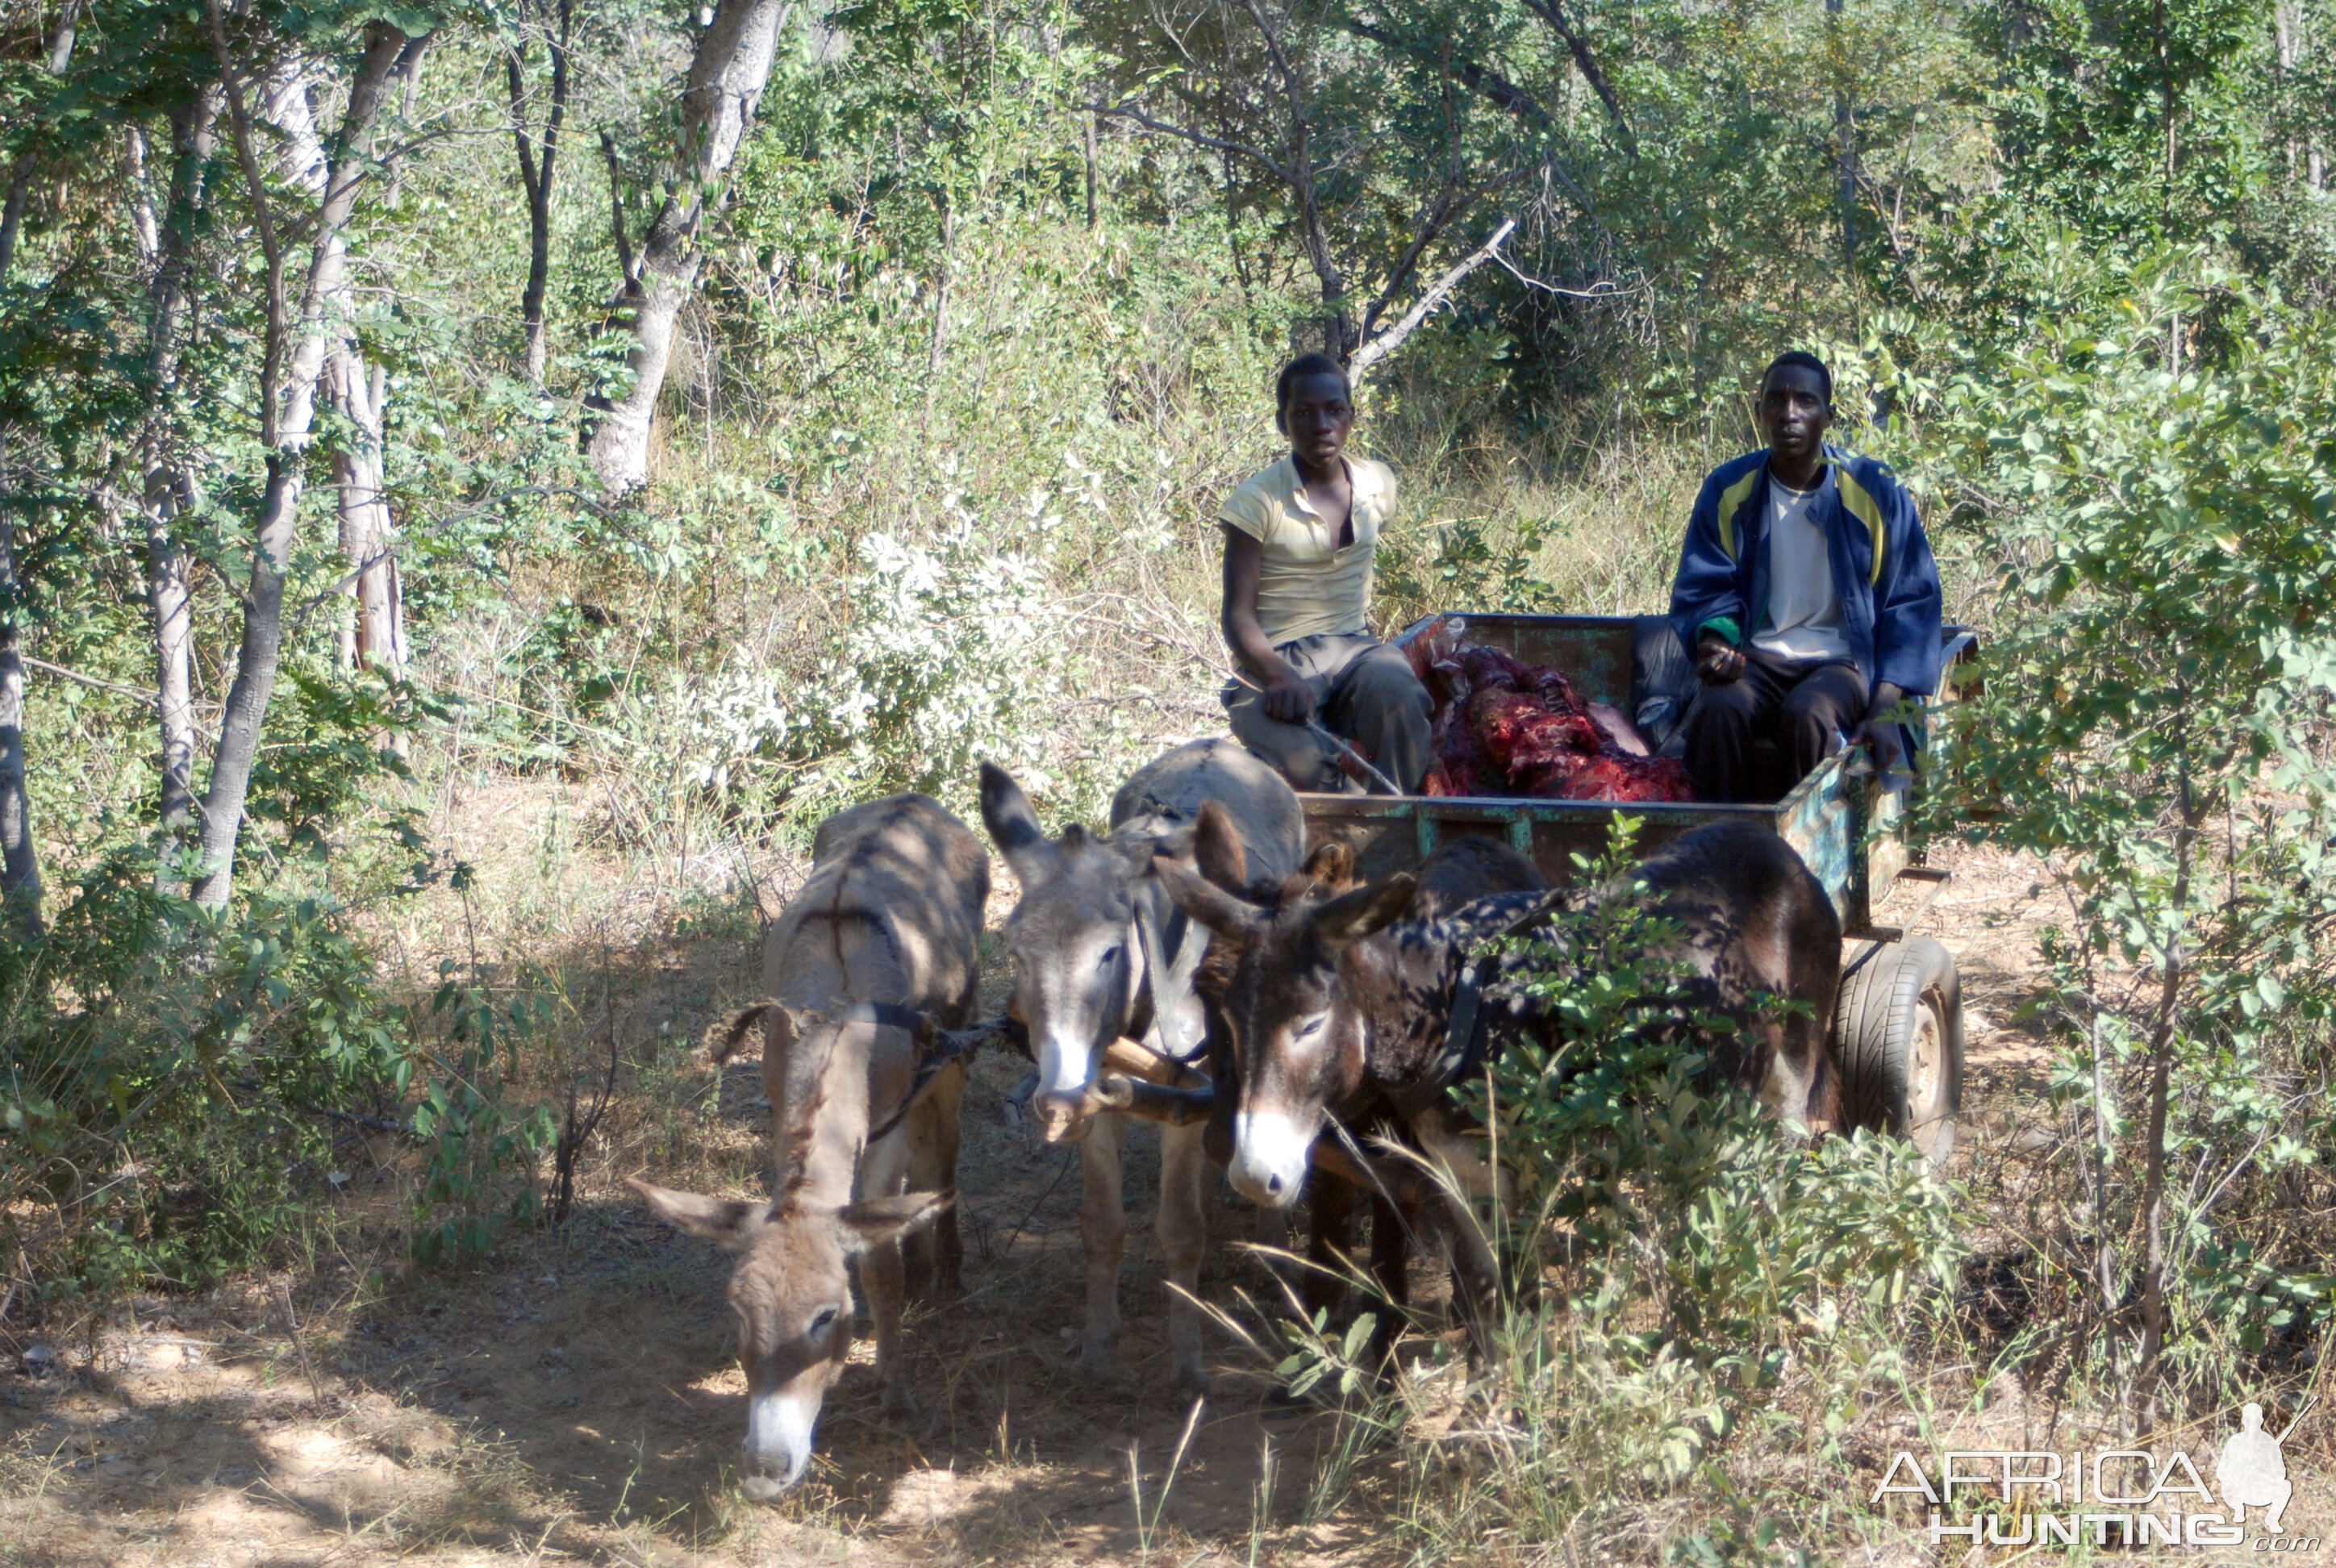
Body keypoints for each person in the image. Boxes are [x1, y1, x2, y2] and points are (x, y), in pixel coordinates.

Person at [1667, 352, 1942, 803]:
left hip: (1843, 661)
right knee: (1718, 709)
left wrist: (1886, 706)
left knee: (1809, 714)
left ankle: (1812, 860)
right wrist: (1716, 641)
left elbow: (1912, 602)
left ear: (1828, 416)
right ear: (1759, 412)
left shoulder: (1874, 489)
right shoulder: (1729, 489)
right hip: (1761, 656)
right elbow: (1707, 586)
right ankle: (1721, 848)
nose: (1788, 414)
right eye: (1775, 401)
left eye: (1805, 401)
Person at [1218, 352, 1434, 794]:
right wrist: (1277, 675)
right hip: (1277, 657)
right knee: (1307, 766)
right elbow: (1237, 616)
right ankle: (1346, 826)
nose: (1321, 424)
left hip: (1355, 647)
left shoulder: (1377, 484)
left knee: (1403, 698)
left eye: (1334, 410)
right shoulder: (1258, 501)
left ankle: (1397, 828)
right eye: (1303, 413)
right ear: (1283, 423)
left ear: (1351, 416)